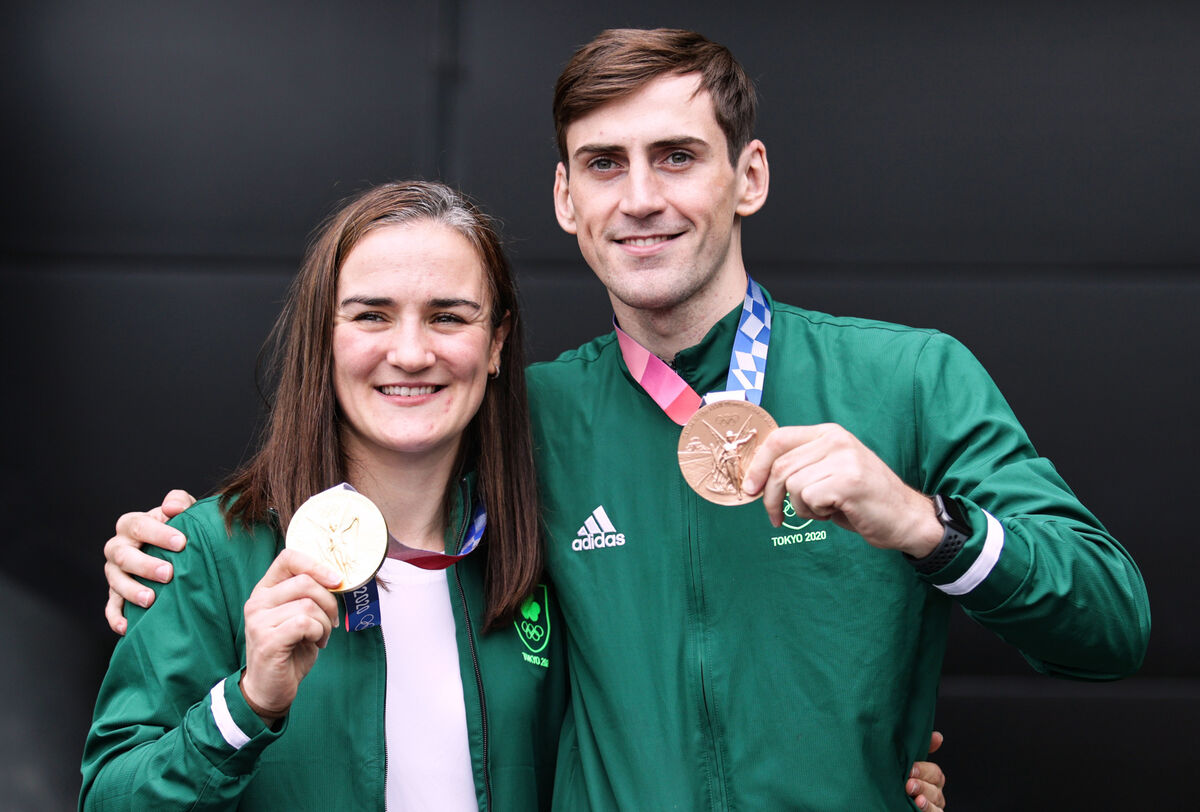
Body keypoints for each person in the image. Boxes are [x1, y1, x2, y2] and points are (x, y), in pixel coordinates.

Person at [101, 24, 1163, 809]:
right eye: (604, 164)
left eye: (676, 156)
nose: (640, 196)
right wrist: (174, 555)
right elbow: (382, 482)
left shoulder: (913, 380)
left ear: (747, 175)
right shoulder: (529, 418)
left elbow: (1111, 625)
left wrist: (925, 524)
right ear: (567, 199)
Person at [81, 181, 568, 810]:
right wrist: (246, 705)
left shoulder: (543, 547)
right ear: (324, 338)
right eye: (372, 315)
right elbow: (107, 800)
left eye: (448, 316)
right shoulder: (205, 552)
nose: (412, 352)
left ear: (496, 343)